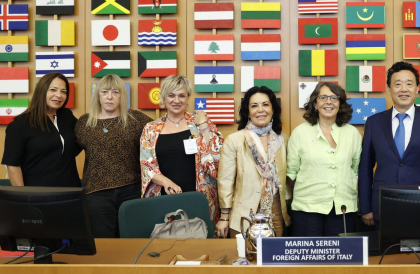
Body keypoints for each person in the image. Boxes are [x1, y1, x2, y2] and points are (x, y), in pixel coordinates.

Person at [358, 61, 420, 227]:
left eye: (409, 84)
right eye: (398, 84)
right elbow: (365, 168)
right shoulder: (374, 123)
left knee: (419, 252)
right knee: (385, 253)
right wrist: (365, 207)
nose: (404, 89)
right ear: (389, 89)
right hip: (382, 205)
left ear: (417, 88)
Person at [75, 75, 152, 238]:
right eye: (105, 92)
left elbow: (163, 134)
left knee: (133, 240)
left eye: (115, 92)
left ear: (122, 96)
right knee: (103, 243)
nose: (110, 97)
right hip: (96, 194)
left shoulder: (136, 119)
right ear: (98, 95)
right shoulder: (84, 122)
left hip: (132, 190)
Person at [140, 75, 223, 223]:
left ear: (188, 97)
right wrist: (166, 182)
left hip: (200, 197)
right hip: (164, 195)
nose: (176, 101)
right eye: (171, 95)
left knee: (201, 240)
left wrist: (204, 126)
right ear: (164, 98)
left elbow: (217, 156)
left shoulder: (200, 122)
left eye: (181, 96)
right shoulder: (151, 128)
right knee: (165, 242)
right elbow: (147, 166)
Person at [287, 82, 361, 237]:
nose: (329, 102)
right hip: (307, 209)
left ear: (340, 104)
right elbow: (291, 172)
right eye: (323, 97)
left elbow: (355, 169)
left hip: (343, 208)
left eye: (334, 98)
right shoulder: (300, 132)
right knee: (308, 258)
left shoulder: (352, 133)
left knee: (340, 258)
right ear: (315, 103)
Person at [216, 86, 290, 238]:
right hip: (244, 213)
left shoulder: (284, 139)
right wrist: (224, 216)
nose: (260, 110)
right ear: (247, 112)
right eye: (254, 106)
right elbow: (226, 180)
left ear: (273, 109)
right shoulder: (235, 140)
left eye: (265, 104)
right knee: (245, 258)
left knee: (273, 259)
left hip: (276, 211)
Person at [2, 72, 82, 187]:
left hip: (71, 193)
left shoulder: (67, 117)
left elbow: (81, 140)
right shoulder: (20, 125)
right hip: (37, 194)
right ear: (41, 91)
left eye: (63, 91)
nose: (59, 95)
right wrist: (24, 197)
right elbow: (13, 165)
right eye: (53, 90)